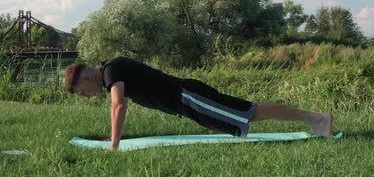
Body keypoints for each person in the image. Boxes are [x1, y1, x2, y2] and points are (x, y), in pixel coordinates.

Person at [65, 56, 333, 151]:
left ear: (88, 77)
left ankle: (317, 118)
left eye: (83, 91)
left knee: (249, 113)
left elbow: (118, 105)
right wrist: (111, 138)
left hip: (188, 98)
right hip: (188, 101)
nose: (87, 96)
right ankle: (315, 119)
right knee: (248, 112)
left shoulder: (111, 70)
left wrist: (114, 145)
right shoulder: (113, 70)